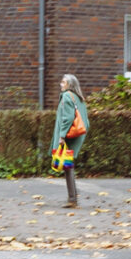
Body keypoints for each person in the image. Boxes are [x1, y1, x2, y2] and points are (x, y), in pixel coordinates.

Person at [50, 72, 89, 208]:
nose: (61, 84)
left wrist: (62, 136)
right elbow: (86, 121)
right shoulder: (79, 98)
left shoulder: (67, 96)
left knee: (68, 166)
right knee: (68, 166)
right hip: (77, 135)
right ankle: (72, 198)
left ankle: (73, 199)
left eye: (63, 82)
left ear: (70, 85)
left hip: (68, 136)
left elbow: (67, 118)